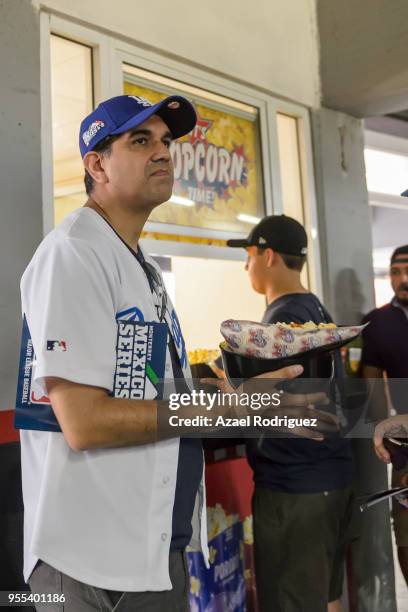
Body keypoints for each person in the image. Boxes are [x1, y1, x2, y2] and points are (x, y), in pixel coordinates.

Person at [19, 95, 334, 611]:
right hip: (87, 565)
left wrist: (242, 401)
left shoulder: (139, 264)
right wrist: (226, 407)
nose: (164, 152)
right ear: (96, 164)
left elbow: (146, 392)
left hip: (151, 549)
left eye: (166, 141)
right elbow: (85, 422)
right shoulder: (74, 254)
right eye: (140, 141)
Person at [227, 215, 355, 612]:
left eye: (248, 256)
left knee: (293, 601)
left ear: (268, 256)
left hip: (295, 489)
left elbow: (275, 405)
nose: (246, 266)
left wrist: (231, 387)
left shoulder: (282, 324)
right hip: (331, 480)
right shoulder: (316, 311)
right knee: (327, 599)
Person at [361, 244, 408, 584]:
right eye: (395, 272)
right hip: (404, 452)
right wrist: (379, 429)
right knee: (405, 540)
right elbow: (372, 380)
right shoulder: (377, 323)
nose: (403, 279)